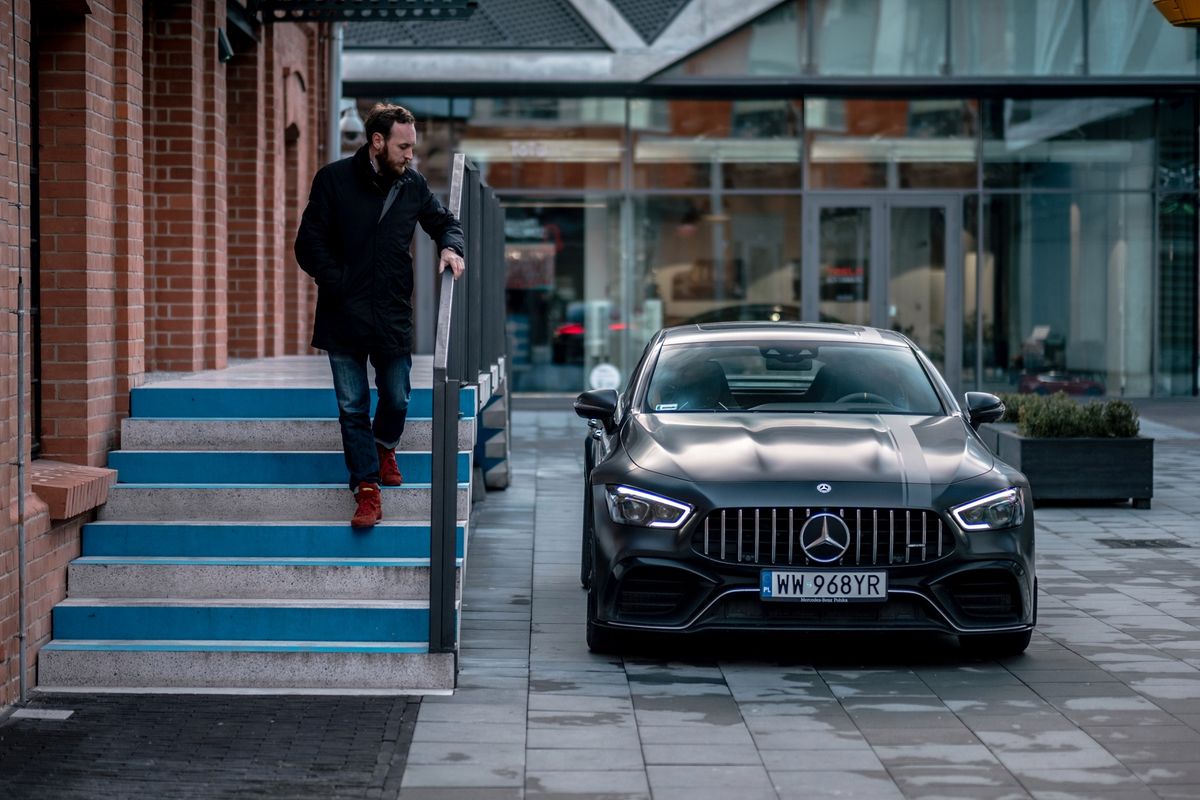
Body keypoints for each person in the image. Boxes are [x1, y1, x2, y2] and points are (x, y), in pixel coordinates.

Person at [295, 104, 465, 528]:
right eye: (404, 146)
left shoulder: (412, 185)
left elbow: (444, 220)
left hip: (391, 313)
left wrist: (450, 246)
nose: (411, 155)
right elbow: (307, 244)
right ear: (377, 141)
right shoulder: (333, 180)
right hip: (343, 314)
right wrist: (339, 280)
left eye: (413, 147)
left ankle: (385, 444)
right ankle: (366, 489)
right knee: (352, 406)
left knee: (397, 396)